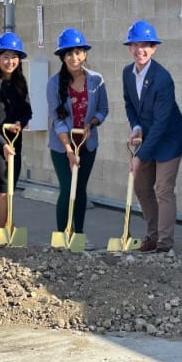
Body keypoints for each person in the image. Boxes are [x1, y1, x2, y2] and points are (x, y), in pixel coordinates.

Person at [121, 20, 182, 253]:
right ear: (129, 47)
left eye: (145, 45)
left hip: (169, 139)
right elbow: (130, 105)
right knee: (141, 186)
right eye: (134, 45)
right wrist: (136, 126)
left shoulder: (163, 78)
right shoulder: (127, 74)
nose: (139, 50)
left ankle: (164, 244)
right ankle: (151, 237)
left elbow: (162, 123)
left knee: (163, 189)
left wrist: (140, 156)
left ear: (154, 49)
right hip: (148, 137)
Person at [46, 28, 109, 250]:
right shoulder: (54, 84)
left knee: (80, 189)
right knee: (66, 187)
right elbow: (58, 120)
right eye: (69, 53)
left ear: (85, 55)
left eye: (78, 52)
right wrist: (69, 149)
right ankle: (63, 236)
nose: (74, 58)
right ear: (62, 57)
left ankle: (78, 236)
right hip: (62, 147)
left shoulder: (96, 80)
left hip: (88, 144)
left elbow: (103, 110)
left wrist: (91, 124)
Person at [0, 31, 33, 246]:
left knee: (11, 189)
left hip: (14, 142)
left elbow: (27, 110)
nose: (10, 61)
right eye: (5, 56)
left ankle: (6, 227)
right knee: (2, 189)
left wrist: (21, 121)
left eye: (14, 57)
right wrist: (2, 145)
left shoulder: (20, 83)